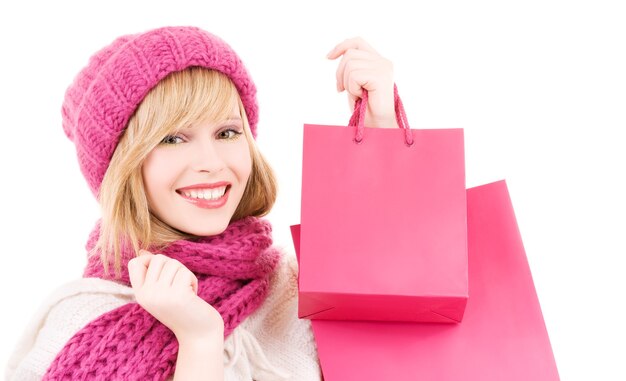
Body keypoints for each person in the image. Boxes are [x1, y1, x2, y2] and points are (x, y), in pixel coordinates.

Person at [5, 25, 399, 380]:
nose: (211, 163)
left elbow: (403, 287)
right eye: (173, 139)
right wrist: (199, 340)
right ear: (123, 168)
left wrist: (383, 131)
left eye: (227, 132)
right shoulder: (83, 317)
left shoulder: (297, 290)